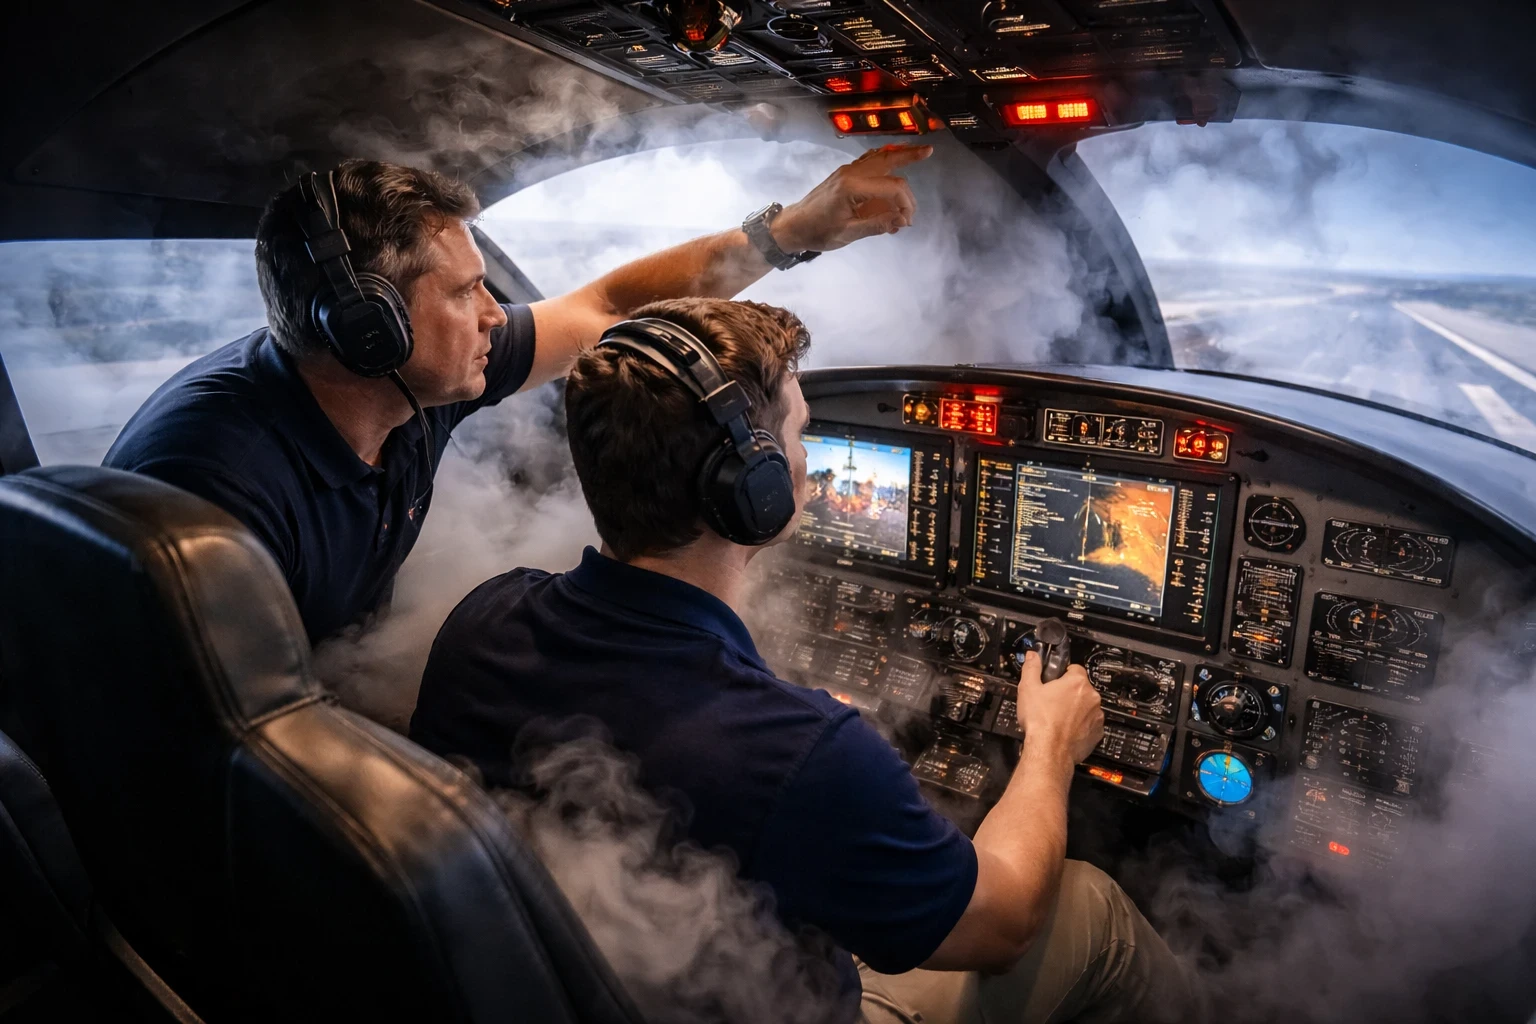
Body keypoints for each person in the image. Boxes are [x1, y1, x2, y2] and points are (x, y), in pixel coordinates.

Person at [409, 298, 1197, 1024]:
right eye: (799, 437)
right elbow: (1003, 925)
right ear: (753, 490)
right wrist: (1052, 745)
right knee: (1091, 904)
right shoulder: (803, 753)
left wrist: (793, 736)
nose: (806, 462)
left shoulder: (485, 619)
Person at [104, 145, 931, 643]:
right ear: (371, 327)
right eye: (466, 292)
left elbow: (605, 309)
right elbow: (215, 752)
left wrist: (788, 234)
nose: (496, 314)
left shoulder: (414, 381)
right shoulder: (213, 489)